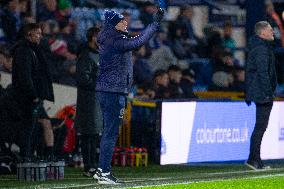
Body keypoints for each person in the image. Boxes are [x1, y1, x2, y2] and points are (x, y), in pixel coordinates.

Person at [93, 9, 164, 184]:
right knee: (110, 133)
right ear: (112, 25)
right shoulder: (115, 40)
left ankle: (101, 169)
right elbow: (139, 40)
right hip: (113, 92)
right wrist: (154, 24)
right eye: (121, 21)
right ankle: (104, 172)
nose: (125, 23)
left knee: (108, 132)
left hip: (109, 90)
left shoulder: (112, 38)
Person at [11, 23, 54, 160]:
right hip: (27, 98)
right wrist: (34, 95)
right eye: (37, 33)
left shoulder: (32, 50)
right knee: (27, 128)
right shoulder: (23, 51)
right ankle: (25, 157)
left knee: (34, 127)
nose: (40, 36)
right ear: (29, 34)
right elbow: (25, 77)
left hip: (33, 97)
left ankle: (32, 156)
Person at [245, 21, 277, 170]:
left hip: (259, 91)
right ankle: (254, 160)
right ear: (262, 33)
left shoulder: (259, 47)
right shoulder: (261, 49)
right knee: (260, 127)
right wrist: (268, 92)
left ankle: (254, 159)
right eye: (270, 30)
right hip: (262, 93)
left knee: (260, 127)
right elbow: (263, 72)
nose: (273, 32)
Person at [75, 26, 102, 177]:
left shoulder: (99, 55)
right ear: (93, 38)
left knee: (95, 134)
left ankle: (94, 165)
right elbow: (82, 79)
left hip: (97, 100)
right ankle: (89, 166)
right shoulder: (86, 55)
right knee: (88, 134)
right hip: (88, 100)